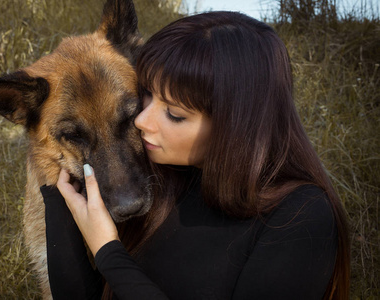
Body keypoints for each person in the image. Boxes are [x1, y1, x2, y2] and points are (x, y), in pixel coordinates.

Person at [41, 11, 350, 300]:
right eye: (145, 97)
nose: (141, 121)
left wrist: (108, 250)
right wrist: (58, 196)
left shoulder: (301, 217)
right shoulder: (158, 175)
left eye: (174, 114)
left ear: (238, 124)